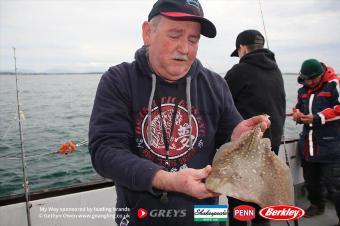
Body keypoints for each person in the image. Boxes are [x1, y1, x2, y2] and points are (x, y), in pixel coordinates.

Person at [89, 1, 270, 225]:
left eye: (193, 40)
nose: (184, 48)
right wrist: (166, 180)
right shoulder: (118, 80)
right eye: (175, 35)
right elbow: (105, 151)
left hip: (207, 216)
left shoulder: (215, 84)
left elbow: (228, 143)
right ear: (148, 33)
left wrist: (237, 140)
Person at [224, 29, 286, 226]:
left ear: (242, 48)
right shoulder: (275, 70)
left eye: (238, 52)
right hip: (270, 147)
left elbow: (221, 105)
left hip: (246, 151)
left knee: (238, 202)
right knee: (261, 199)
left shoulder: (239, 71)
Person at [290, 59, 340, 225]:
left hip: (330, 146)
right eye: (307, 79)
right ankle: (316, 205)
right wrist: (297, 113)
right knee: (311, 181)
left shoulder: (334, 85)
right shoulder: (302, 90)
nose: (310, 82)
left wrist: (318, 117)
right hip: (308, 145)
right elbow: (298, 107)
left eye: (314, 79)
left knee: (335, 185)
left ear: (321, 74)